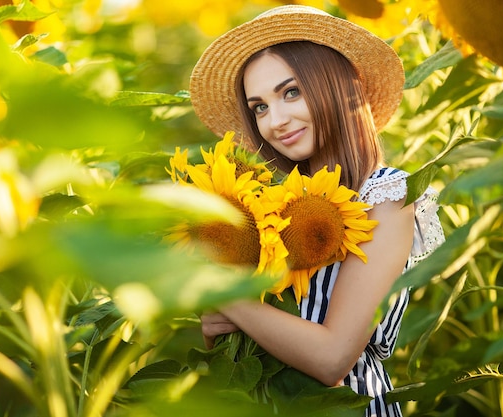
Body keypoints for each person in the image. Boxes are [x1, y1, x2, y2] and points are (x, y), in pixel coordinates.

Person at [189, 5, 445, 417]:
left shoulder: (387, 197)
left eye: (291, 92)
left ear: (334, 87)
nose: (276, 121)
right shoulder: (271, 201)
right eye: (260, 107)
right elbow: (254, 331)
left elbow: (332, 358)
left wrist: (228, 297)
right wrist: (218, 327)